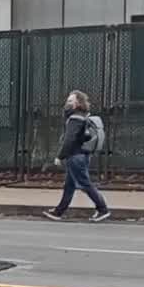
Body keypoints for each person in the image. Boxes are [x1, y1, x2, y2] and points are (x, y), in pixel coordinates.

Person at [43, 90, 111, 222]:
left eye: (70, 101)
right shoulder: (82, 116)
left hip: (75, 156)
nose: (67, 103)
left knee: (85, 184)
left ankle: (103, 209)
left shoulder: (75, 119)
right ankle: (59, 211)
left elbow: (69, 140)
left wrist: (60, 156)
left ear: (77, 103)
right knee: (69, 185)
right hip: (80, 156)